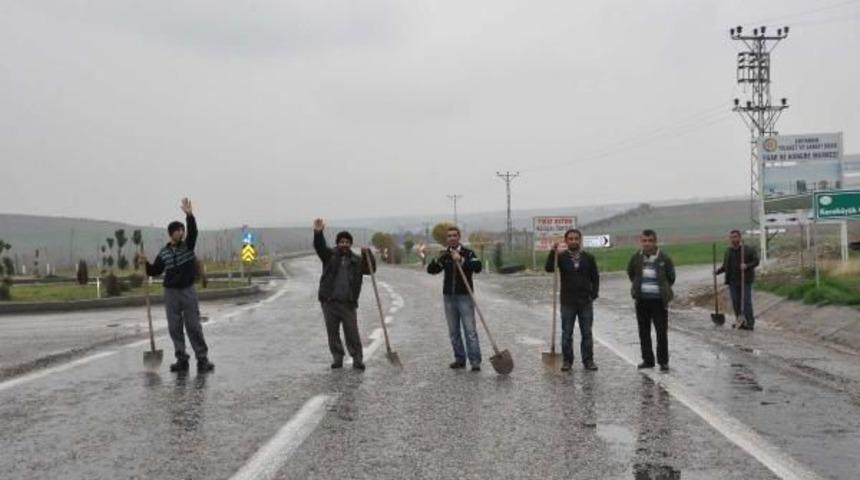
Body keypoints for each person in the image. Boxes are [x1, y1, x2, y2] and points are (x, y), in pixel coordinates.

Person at [140, 198, 214, 373]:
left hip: (187, 291)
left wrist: (190, 216)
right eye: (179, 230)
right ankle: (182, 359)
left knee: (193, 326)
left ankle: (202, 359)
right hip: (171, 293)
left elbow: (194, 232)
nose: (182, 232)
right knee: (174, 327)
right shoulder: (164, 253)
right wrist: (146, 264)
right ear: (171, 233)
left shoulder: (187, 247)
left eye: (182, 230)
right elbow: (155, 270)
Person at [313, 218, 376, 370]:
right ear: (337, 243)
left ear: (350, 244)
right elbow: (319, 246)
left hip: (348, 303)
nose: (344, 244)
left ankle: (357, 359)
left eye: (347, 242)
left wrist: (369, 254)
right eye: (341, 242)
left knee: (352, 333)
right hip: (330, 302)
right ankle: (337, 358)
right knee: (332, 333)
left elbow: (370, 269)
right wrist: (318, 232)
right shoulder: (329, 256)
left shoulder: (357, 260)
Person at [427, 226, 483, 372]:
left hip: (465, 296)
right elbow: (431, 270)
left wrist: (463, 260)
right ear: (447, 239)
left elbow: (478, 267)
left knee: (470, 331)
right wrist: (437, 259)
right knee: (453, 331)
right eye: (449, 236)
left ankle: (475, 361)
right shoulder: (445, 255)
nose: (452, 238)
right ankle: (459, 359)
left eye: (454, 235)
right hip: (449, 298)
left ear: (459, 237)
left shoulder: (468, 253)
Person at [545, 229, 600, 372]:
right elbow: (549, 268)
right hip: (567, 302)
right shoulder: (561, 257)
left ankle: (588, 361)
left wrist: (593, 295)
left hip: (585, 302)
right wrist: (553, 252)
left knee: (587, 333)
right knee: (567, 333)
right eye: (571, 239)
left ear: (580, 240)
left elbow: (595, 278)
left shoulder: (589, 258)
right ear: (566, 241)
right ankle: (567, 361)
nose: (574, 241)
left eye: (576, 238)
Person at [627, 229, 675, 372]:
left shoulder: (664, 258)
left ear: (655, 242)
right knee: (643, 332)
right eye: (644, 241)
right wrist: (637, 288)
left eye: (650, 241)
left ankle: (663, 361)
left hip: (659, 302)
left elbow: (671, 277)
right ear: (641, 241)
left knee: (661, 332)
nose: (647, 244)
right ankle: (648, 360)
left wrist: (663, 290)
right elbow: (631, 273)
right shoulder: (636, 258)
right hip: (642, 301)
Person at [715, 230, 759, 330]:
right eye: (731, 237)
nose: (733, 239)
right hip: (732, 281)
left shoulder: (747, 250)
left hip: (745, 281)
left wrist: (747, 265)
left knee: (746, 301)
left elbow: (756, 261)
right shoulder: (728, 251)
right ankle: (740, 321)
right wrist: (717, 272)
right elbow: (725, 266)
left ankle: (750, 322)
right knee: (735, 302)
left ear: (739, 238)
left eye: (735, 237)